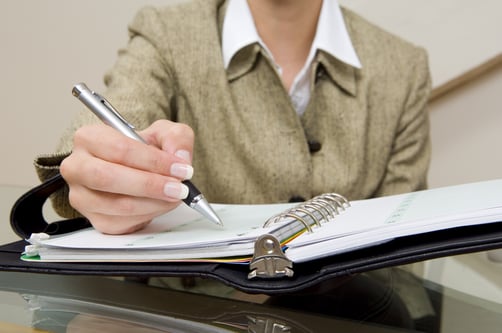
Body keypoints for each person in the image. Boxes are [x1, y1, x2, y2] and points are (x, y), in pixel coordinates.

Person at [34, 0, 433, 329]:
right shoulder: (168, 34)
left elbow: (402, 255)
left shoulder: (403, 67)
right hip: (182, 318)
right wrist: (99, 171)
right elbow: (113, 119)